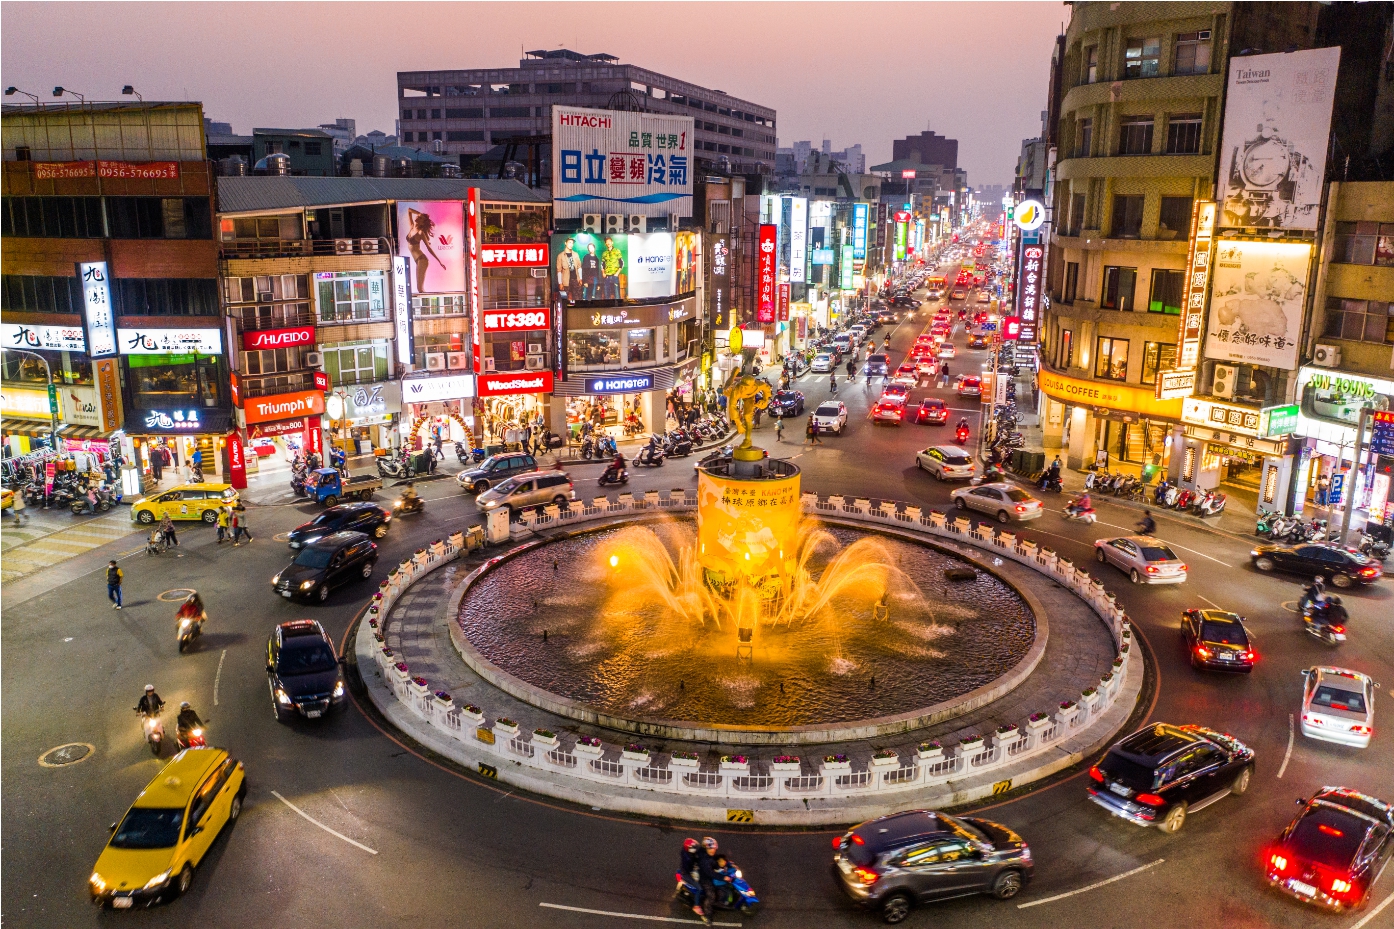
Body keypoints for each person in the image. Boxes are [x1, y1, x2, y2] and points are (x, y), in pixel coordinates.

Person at [405, 208, 447, 293]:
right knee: (419, 288)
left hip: (422, 259)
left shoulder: (420, 233)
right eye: (418, 216)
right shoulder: (412, 227)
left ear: (422, 223)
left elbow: (429, 248)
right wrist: (420, 214)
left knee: (420, 288)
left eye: (420, 218)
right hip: (417, 260)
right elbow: (409, 210)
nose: (417, 217)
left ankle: (428, 303)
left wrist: (439, 262)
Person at [696, 837, 720, 923]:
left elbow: (715, 861)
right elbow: (710, 873)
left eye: (714, 849)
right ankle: (707, 915)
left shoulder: (710, 855)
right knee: (711, 896)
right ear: (706, 848)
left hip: (709, 873)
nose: (713, 851)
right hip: (704, 879)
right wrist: (722, 877)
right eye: (710, 849)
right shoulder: (704, 861)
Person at [680, 838, 704, 918]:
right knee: (699, 888)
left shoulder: (687, 851)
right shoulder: (688, 858)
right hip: (687, 874)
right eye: (692, 848)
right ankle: (696, 906)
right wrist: (696, 869)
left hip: (689, 869)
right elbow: (691, 868)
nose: (694, 849)